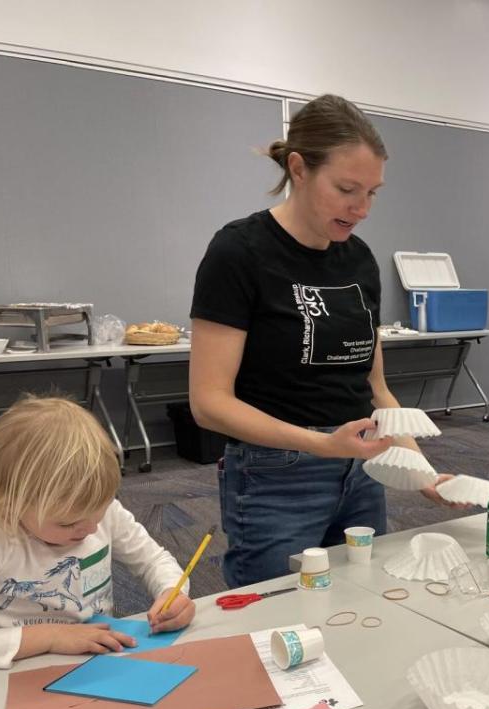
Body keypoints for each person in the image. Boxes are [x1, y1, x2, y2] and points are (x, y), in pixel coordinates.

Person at [189, 93, 453, 588]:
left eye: (373, 192)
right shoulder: (239, 252)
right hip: (275, 478)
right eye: (347, 189)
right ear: (299, 168)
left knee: (361, 606)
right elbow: (209, 404)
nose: (362, 208)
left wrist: (423, 473)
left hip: (362, 470)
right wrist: (322, 445)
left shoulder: (358, 259)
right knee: (276, 622)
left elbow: (375, 389)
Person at [0, 397, 195, 674]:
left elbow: (153, 560)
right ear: (11, 502)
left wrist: (172, 592)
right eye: (68, 524)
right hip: (7, 675)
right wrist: (51, 637)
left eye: (98, 513)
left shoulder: (100, 511)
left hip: (93, 662)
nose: (91, 529)